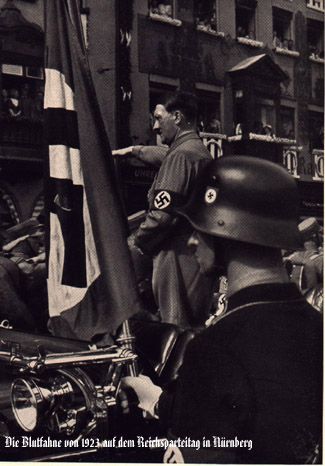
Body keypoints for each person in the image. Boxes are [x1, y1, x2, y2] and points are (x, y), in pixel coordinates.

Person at [122, 156, 322, 464]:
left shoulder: (215, 347)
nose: (190, 241)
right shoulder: (317, 325)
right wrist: (160, 402)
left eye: (199, 228)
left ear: (228, 232)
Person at [114, 92, 216, 328]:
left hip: (175, 257)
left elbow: (161, 217)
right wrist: (133, 150)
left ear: (177, 117)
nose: (156, 127)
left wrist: (136, 243)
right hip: (193, 256)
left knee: (174, 330)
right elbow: (164, 155)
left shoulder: (180, 156)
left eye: (159, 119)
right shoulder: (195, 150)